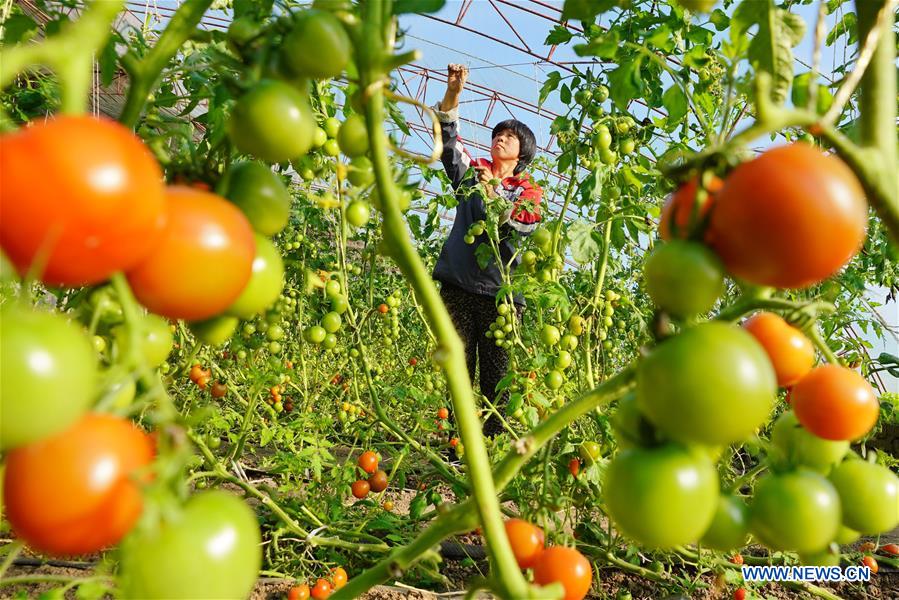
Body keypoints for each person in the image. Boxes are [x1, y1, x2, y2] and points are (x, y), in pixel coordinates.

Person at [432, 63, 543, 437]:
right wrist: (454, 94)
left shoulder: (528, 191)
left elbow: (526, 226)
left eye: (509, 138)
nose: (500, 139)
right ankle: (459, 442)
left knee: (498, 376)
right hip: (459, 288)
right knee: (458, 369)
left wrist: (494, 194)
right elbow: (449, 142)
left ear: (522, 153)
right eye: (498, 134)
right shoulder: (473, 171)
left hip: (502, 297)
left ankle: (493, 444)